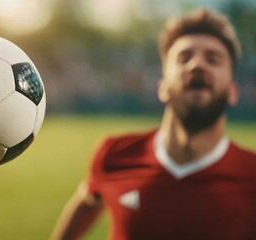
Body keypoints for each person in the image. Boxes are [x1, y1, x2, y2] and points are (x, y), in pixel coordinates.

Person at [51, 7, 256, 240]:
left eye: (213, 58)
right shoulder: (114, 154)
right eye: (184, 57)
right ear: (162, 88)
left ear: (233, 91)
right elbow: (87, 200)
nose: (197, 65)